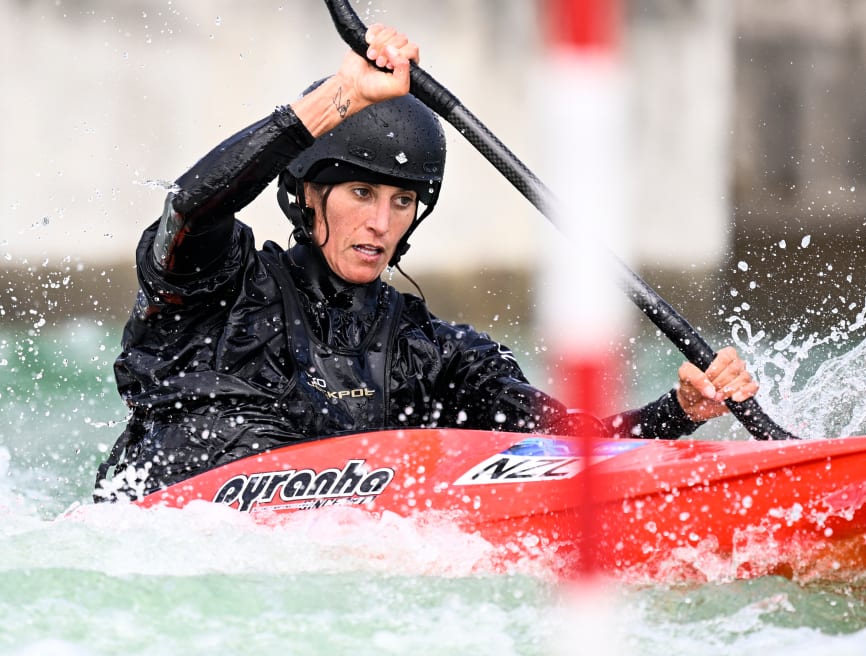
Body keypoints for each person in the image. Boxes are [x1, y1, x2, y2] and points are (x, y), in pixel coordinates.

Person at [94, 25, 758, 501]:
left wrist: (678, 411)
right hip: (165, 555)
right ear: (306, 195)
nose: (381, 223)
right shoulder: (219, 290)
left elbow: (571, 448)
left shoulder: (432, 355)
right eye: (361, 193)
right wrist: (341, 96)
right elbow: (191, 209)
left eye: (401, 200)